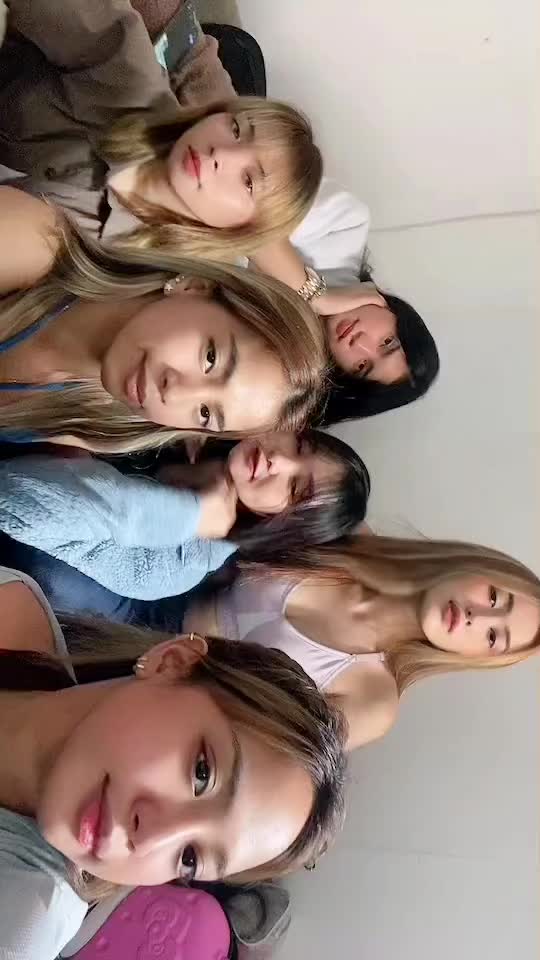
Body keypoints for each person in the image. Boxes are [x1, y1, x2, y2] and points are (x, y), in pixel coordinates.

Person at [0, 564, 346, 960]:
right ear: (174, 661)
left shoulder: (22, 917)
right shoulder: (13, 601)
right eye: (202, 774)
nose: (152, 838)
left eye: (189, 858)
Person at [183, 534, 540, 750]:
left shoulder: (374, 702)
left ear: (474, 656)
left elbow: (258, 752)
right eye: (494, 597)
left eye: (492, 636)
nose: (477, 616)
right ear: (477, 566)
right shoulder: (353, 537)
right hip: (176, 563)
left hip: (171, 688)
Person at [0, 222, 326, 451]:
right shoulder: (33, 244)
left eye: (205, 413)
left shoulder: (93, 424)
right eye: (211, 358)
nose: (176, 393)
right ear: (195, 287)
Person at [0, 93, 322, 293]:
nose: (220, 153)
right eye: (237, 129)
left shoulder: (148, 282)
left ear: (248, 230)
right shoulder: (136, 92)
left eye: (248, 181)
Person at [0, 429, 370, 600]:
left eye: (295, 487)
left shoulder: (174, 567)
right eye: (299, 445)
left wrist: (187, 515)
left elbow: (15, 500)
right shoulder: (191, 425)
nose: (280, 460)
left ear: (283, 524)